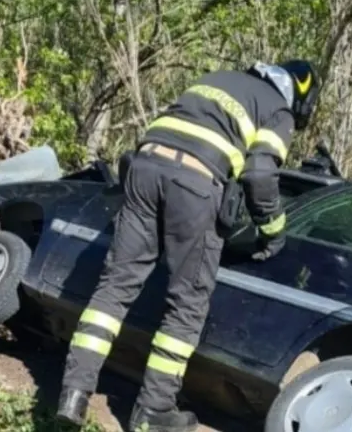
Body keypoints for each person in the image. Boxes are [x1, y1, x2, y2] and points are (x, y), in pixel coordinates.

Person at [55, 60, 323, 432]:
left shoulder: (217, 80)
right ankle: (154, 411)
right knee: (187, 303)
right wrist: (273, 230)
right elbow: (259, 174)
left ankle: (74, 393)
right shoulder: (277, 109)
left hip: (144, 170)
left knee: (115, 286)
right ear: (301, 94)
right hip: (195, 183)